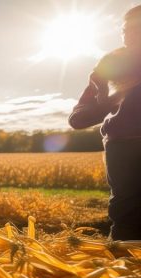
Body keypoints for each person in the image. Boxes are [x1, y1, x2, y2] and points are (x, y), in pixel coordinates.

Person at [68, 5, 141, 240]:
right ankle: (121, 264)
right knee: (126, 219)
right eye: (126, 29)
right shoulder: (110, 62)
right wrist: (115, 99)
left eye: (138, 28)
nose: (131, 34)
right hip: (123, 146)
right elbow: (78, 118)